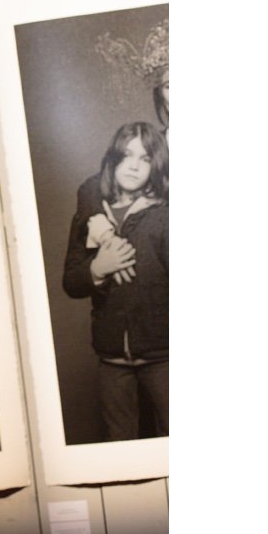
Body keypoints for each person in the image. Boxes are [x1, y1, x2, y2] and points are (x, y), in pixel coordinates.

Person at [63, 121, 169, 441]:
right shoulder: (93, 211)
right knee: (119, 441)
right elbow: (71, 281)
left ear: (157, 164)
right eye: (126, 155)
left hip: (164, 355)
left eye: (145, 158)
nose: (134, 166)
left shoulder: (165, 214)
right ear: (113, 158)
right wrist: (98, 267)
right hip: (111, 357)